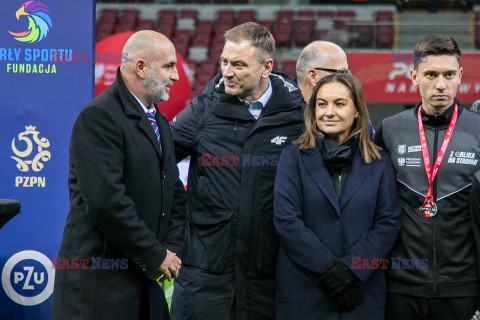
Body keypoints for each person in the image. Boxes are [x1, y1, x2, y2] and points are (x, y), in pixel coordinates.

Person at [169, 22, 305, 320]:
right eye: (224, 62)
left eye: (239, 64)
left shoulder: (298, 118)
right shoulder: (202, 111)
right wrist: (178, 225)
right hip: (204, 280)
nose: (227, 72)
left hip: (269, 280)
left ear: (266, 67)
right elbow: (155, 163)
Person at [51, 31, 186, 320]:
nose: (175, 76)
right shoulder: (99, 117)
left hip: (145, 288)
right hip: (97, 294)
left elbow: (173, 193)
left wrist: (168, 251)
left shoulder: (159, 121)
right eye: (168, 66)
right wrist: (154, 255)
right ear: (141, 67)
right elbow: (107, 202)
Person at [273, 73, 401, 319]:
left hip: (361, 295)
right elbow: (287, 221)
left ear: (357, 111)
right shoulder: (293, 157)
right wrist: (332, 272)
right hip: (304, 295)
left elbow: (388, 222)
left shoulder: (380, 161)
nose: (328, 112)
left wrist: (351, 271)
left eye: (339, 103)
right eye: (322, 104)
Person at [375, 34, 480, 320]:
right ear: (414, 76)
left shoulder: (478, 129)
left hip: (463, 287)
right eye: (430, 74)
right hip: (402, 286)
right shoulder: (390, 129)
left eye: (448, 74)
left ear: (460, 75)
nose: (441, 84)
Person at [296, 40, 375, 138]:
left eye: (340, 104)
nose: (347, 78)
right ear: (313, 77)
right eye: (342, 72)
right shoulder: (282, 112)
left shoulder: (353, 117)